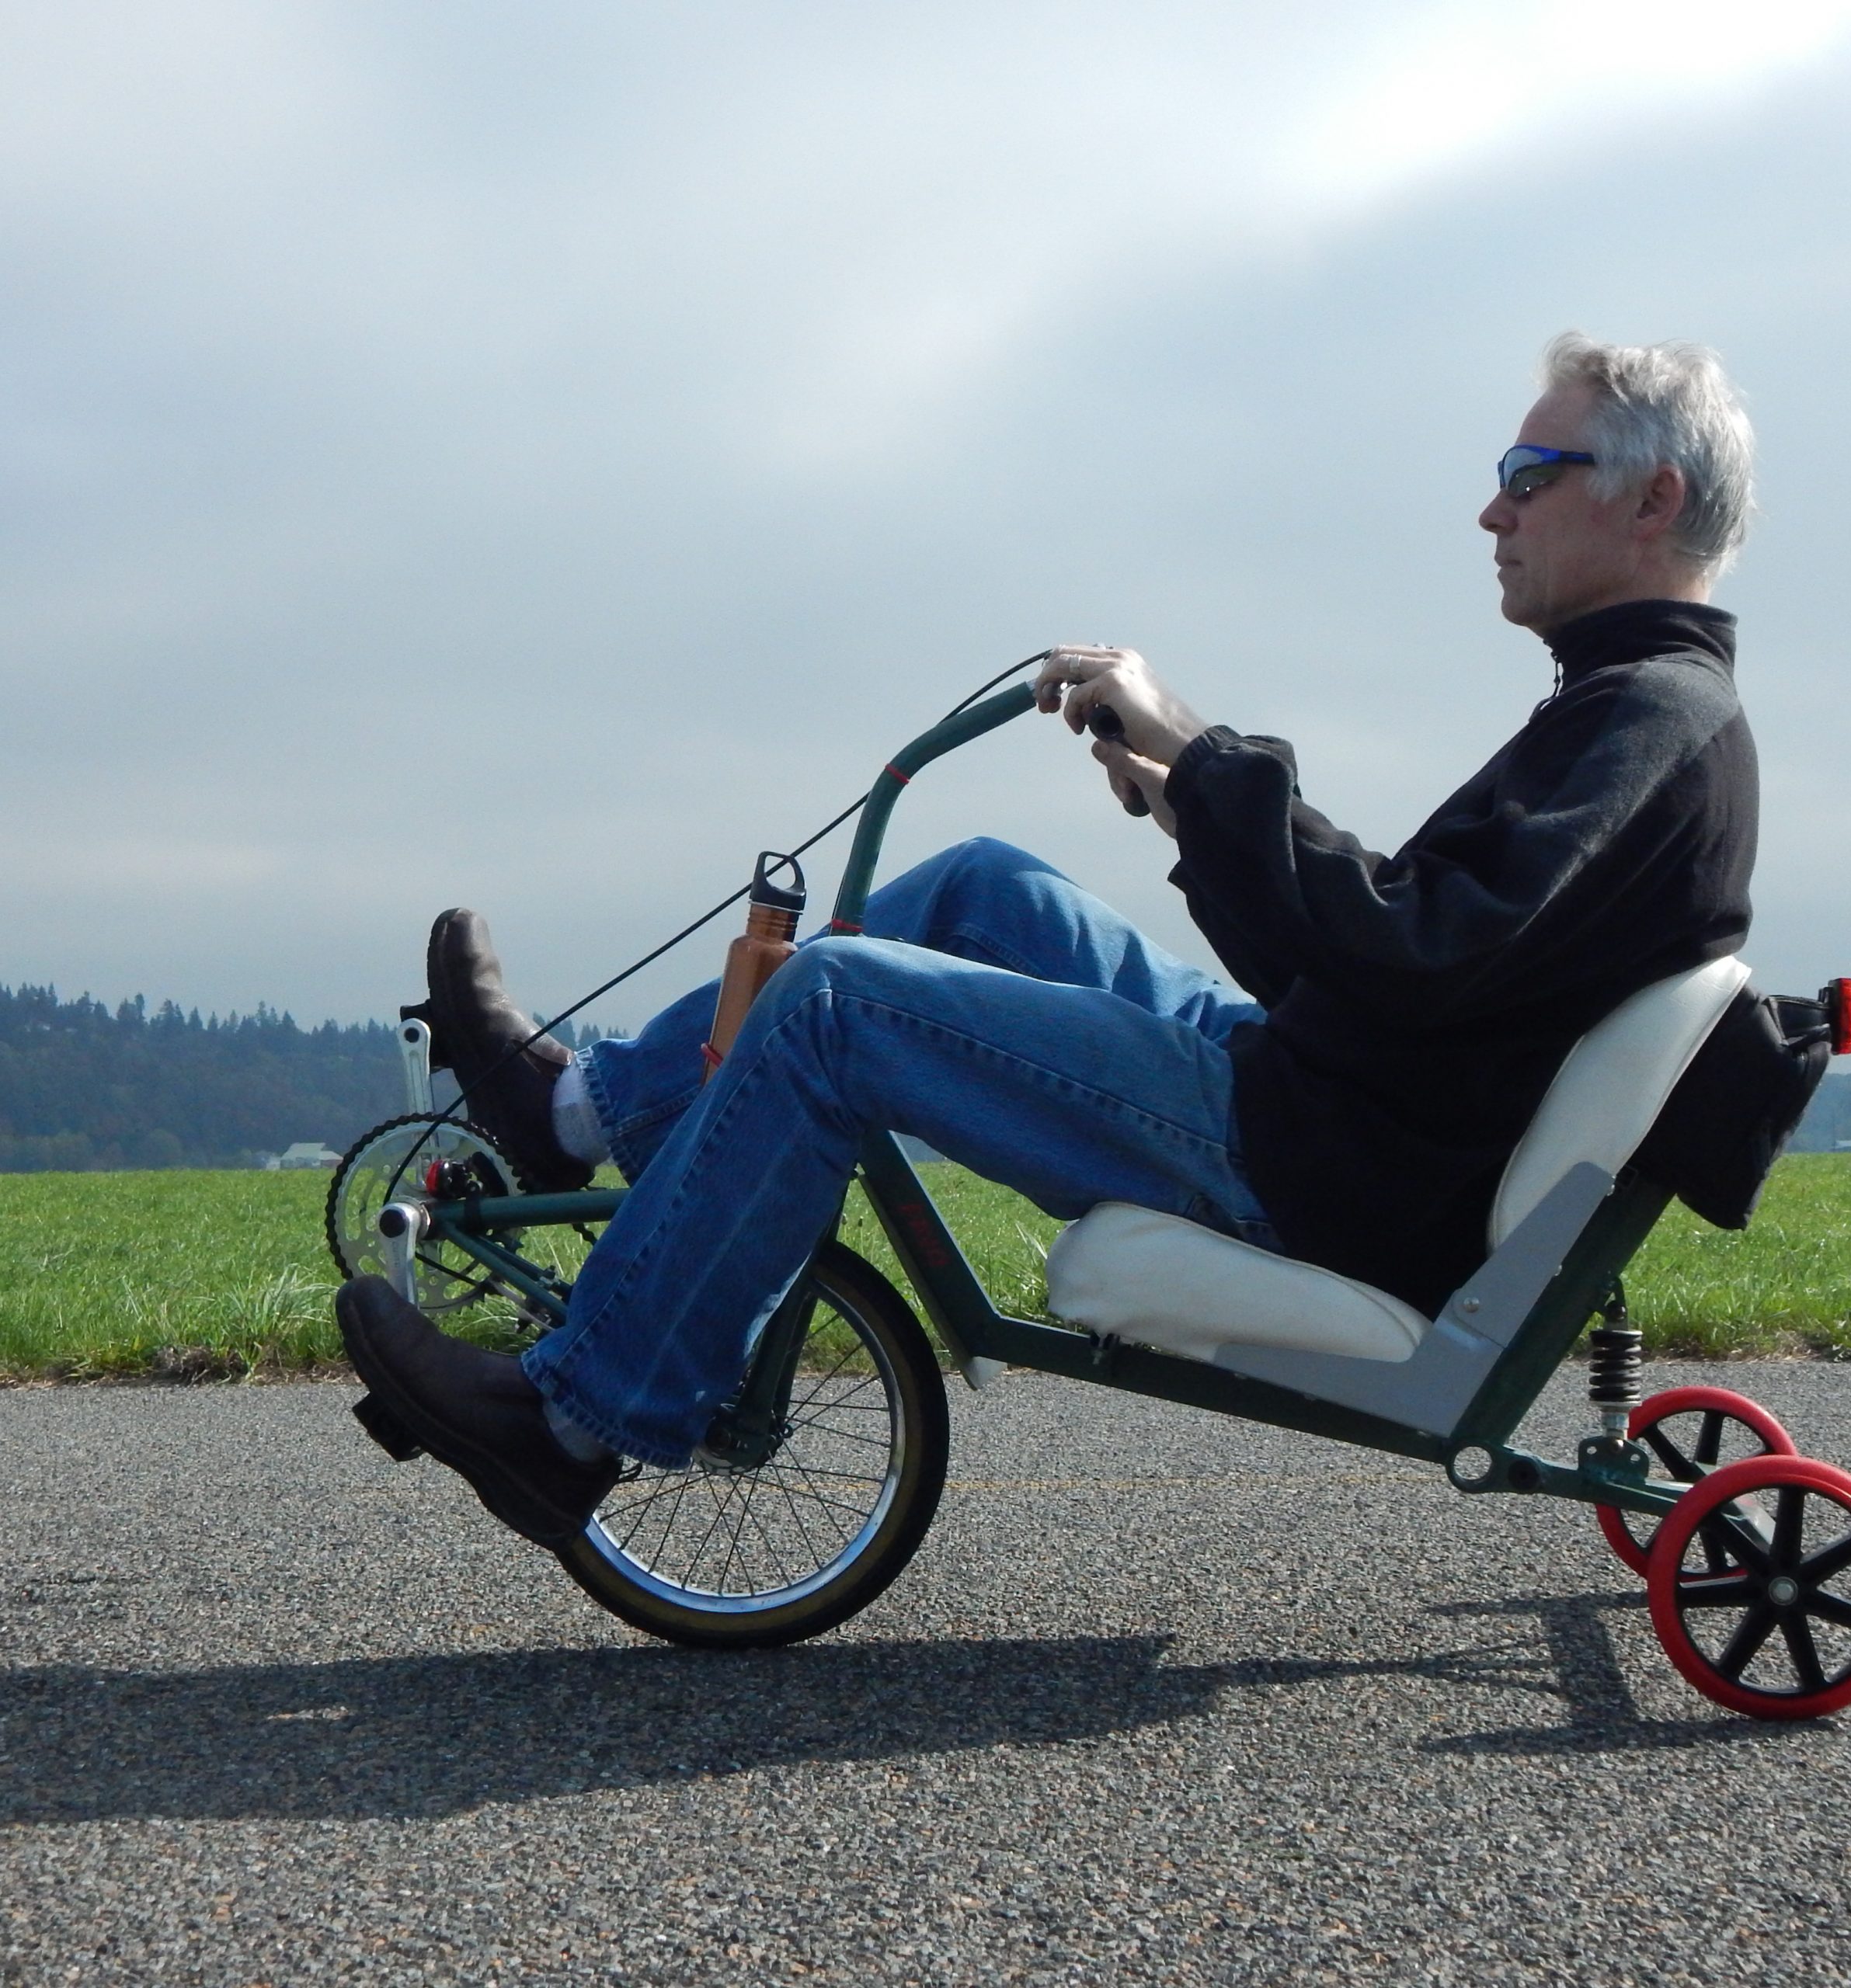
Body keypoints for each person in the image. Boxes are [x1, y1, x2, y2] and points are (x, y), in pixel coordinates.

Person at [337, 332, 1759, 1548]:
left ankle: (576, 1422)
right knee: (981, 888)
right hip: (1335, 1088)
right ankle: (573, 1113)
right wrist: (1185, 811)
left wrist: (1199, 749)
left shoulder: (1644, 723)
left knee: (834, 1002)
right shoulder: (1631, 708)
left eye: (1527, 476)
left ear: (1655, 496)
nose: (1491, 513)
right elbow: (1399, 961)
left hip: (1325, 1159)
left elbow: (1415, 948)